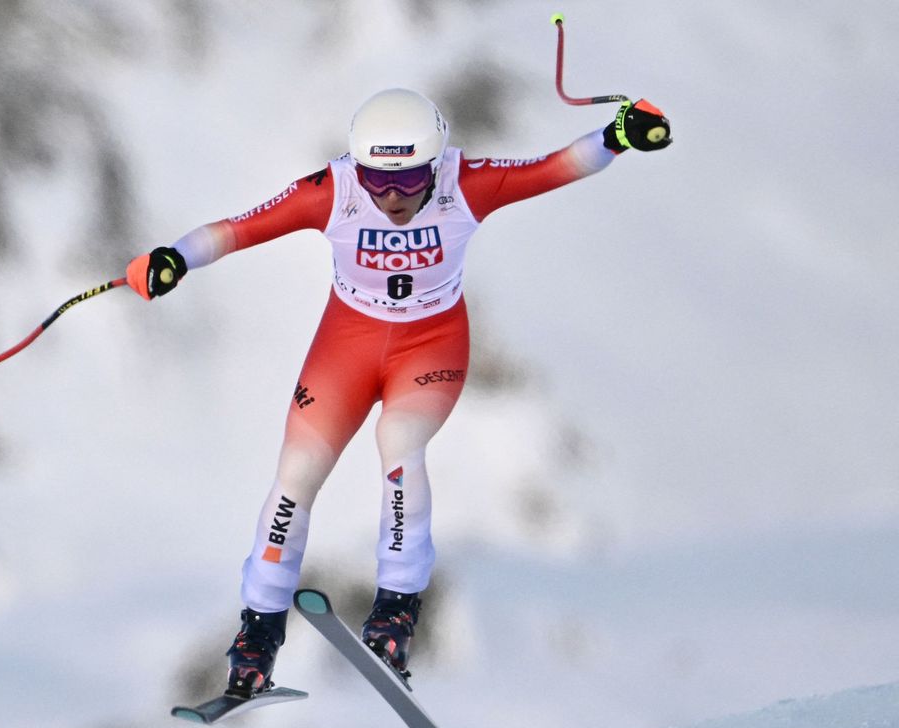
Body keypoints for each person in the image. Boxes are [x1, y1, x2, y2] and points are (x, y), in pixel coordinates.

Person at [125, 88, 671, 697]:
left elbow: (555, 168)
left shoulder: (464, 183)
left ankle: (397, 609)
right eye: (377, 180)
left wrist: (618, 137)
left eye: (409, 180)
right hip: (346, 349)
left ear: (435, 164)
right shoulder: (334, 191)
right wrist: (173, 258)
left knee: (400, 445)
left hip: (430, 348)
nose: (390, 198)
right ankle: (258, 629)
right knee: (295, 476)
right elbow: (239, 229)